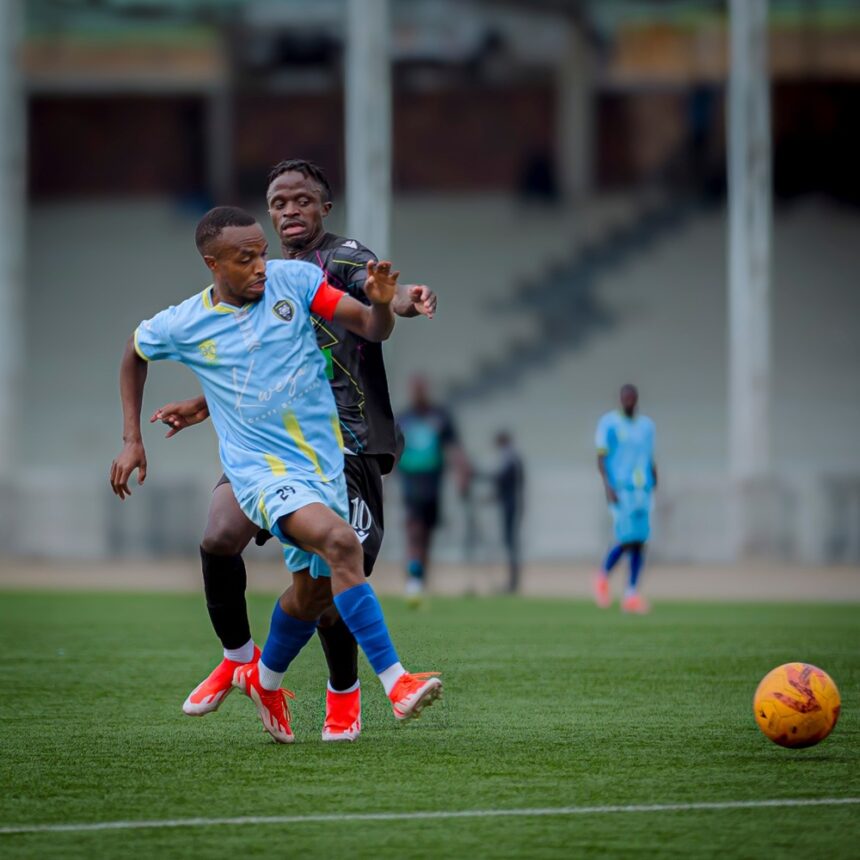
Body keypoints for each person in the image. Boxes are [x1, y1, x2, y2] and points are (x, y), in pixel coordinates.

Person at [110, 206, 441, 744]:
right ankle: (396, 682)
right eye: (245, 259)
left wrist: (382, 304)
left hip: (324, 464)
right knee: (340, 543)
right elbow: (134, 350)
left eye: (262, 253)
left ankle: (262, 682)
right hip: (260, 471)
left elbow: (370, 327)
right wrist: (132, 439)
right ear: (213, 263)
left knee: (313, 596)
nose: (261, 266)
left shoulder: (294, 280)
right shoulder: (185, 322)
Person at [397, 376, 470, 597]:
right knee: (414, 529)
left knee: (427, 533)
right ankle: (413, 579)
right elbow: (392, 451)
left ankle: (421, 579)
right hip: (411, 482)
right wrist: (381, 481)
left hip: (433, 484)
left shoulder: (440, 416)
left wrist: (461, 474)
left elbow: (454, 448)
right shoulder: (404, 418)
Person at [593, 384, 657, 614]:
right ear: (621, 399)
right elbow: (601, 458)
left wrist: (654, 479)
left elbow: (649, 456)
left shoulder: (647, 426)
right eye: (625, 398)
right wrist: (607, 486)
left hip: (643, 488)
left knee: (640, 542)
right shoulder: (609, 423)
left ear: (636, 399)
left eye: (632, 398)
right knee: (626, 539)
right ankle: (603, 576)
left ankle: (631, 594)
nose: (629, 401)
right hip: (621, 488)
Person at [492, 431, 525, 594]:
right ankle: (512, 580)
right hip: (512, 504)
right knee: (510, 542)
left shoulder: (510, 458)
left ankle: (513, 582)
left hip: (511, 505)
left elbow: (502, 479)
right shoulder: (512, 458)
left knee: (511, 542)